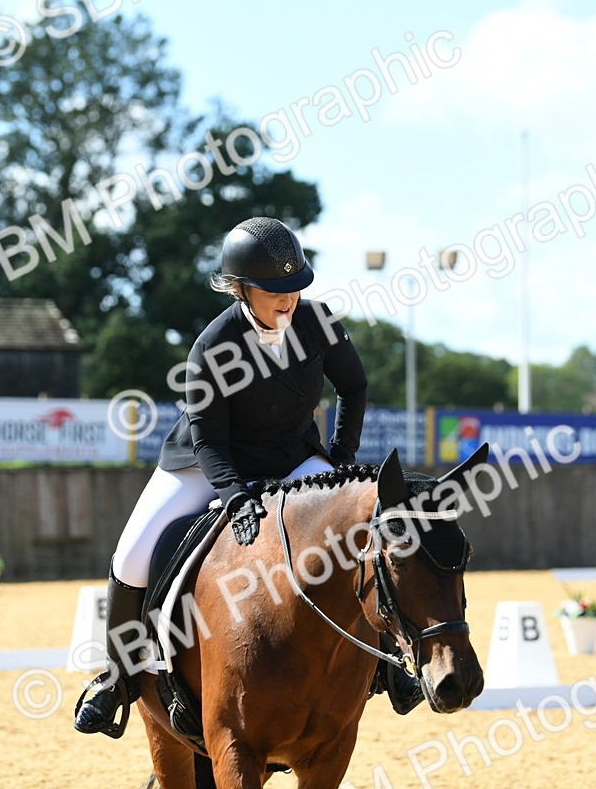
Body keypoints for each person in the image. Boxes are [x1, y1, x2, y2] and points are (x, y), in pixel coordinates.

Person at [75, 216, 395, 737]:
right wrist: (235, 496)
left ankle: (382, 664)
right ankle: (118, 678)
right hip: (210, 463)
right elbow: (208, 439)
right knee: (131, 556)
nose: (288, 298)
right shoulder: (213, 346)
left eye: (295, 286)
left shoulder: (318, 321)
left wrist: (339, 457)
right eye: (275, 289)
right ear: (242, 288)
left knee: (357, 527)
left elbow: (354, 388)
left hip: (293, 458)